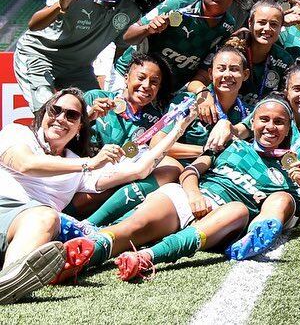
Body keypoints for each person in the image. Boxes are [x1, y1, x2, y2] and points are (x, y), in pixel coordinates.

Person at [58, 97, 300, 281]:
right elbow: (192, 171)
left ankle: (148, 257)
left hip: (222, 221)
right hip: (193, 199)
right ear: (253, 123)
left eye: (279, 122)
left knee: (238, 210)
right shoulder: (231, 146)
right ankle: (81, 252)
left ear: (288, 128)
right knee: (132, 228)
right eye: (264, 119)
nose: (270, 127)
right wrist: (194, 195)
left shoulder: (290, 169)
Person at [0, 88, 194, 296]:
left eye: (71, 115)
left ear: (80, 126)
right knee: (45, 216)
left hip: (28, 230)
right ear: (45, 113)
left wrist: (178, 129)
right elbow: (25, 164)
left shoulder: (77, 166)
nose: (60, 118)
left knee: (46, 217)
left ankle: (7, 283)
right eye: (55, 110)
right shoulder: (17, 133)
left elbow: (139, 169)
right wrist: (89, 164)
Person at [14, 0, 161, 111]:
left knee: (98, 111)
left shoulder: (130, 11)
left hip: (78, 69)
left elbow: (120, 51)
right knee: (48, 112)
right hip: (39, 56)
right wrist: (60, 6)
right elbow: (33, 25)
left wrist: (120, 85)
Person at [73, 54, 181, 223]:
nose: (146, 86)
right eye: (141, 78)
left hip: (118, 177)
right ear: (126, 78)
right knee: (80, 202)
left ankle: (104, 223)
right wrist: (89, 116)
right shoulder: (96, 98)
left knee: (170, 168)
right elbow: (64, 136)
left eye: (154, 82)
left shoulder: (156, 119)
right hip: (82, 172)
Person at [114, 0, 238, 87]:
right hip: (129, 76)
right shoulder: (177, 4)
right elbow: (128, 37)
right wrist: (148, 28)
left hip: (166, 90)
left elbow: (204, 69)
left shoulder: (228, 25)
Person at [192, 0, 295, 110]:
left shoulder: (285, 60)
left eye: (274, 24)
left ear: (281, 27)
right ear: (250, 23)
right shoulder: (228, 48)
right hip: (218, 111)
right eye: (262, 22)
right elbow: (196, 82)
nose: (267, 29)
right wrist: (203, 94)